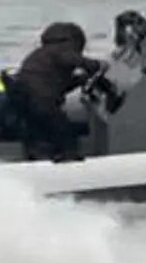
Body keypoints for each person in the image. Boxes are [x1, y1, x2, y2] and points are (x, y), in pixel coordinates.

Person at [12, 22, 104, 161]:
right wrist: (97, 65)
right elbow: (75, 61)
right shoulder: (58, 51)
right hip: (42, 101)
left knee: (41, 130)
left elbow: (58, 83)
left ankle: (39, 155)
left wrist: (81, 80)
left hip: (30, 99)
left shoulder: (41, 55)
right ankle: (70, 160)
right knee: (64, 132)